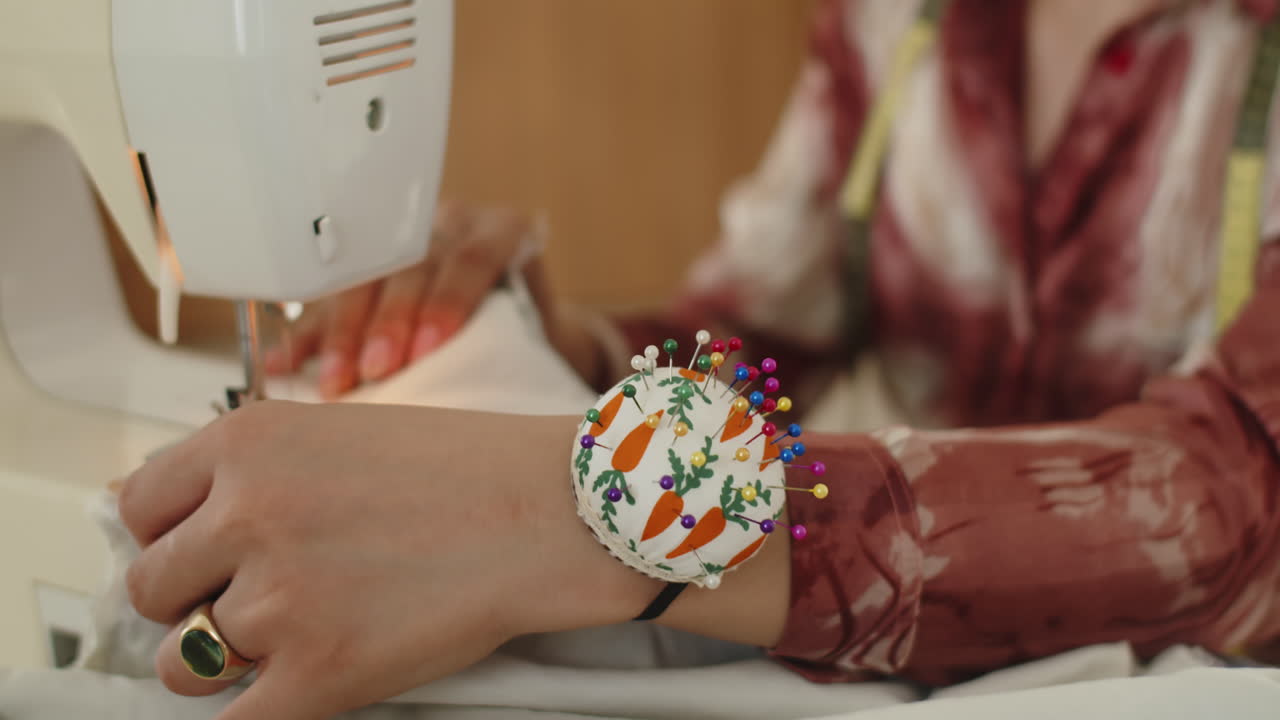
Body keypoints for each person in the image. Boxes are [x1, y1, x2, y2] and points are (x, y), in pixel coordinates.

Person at [120, 1, 1280, 719]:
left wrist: (583, 506)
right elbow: (761, 335)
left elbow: (1242, 490)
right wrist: (539, 340)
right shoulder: (902, 19)